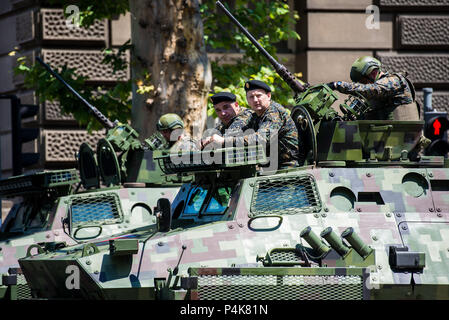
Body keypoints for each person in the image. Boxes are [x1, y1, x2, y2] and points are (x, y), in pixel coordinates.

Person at [202, 80, 303, 169]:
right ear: (247, 100)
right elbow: (236, 133)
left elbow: (261, 139)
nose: (255, 100)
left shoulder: (273, 112)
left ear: (268, 96)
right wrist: (209, 140)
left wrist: (224, 141)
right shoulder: (255, 116)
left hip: (287, 167)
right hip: (268, 167)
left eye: (258, 96)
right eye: (251, 97)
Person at [327, 56, 420, 121]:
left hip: (403, 138)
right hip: (385, 137)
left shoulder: (394, 81)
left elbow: (371, 89)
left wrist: (338, 85)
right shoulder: (376, 94)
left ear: (372, 72)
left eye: (363, 81)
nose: (363, 84)